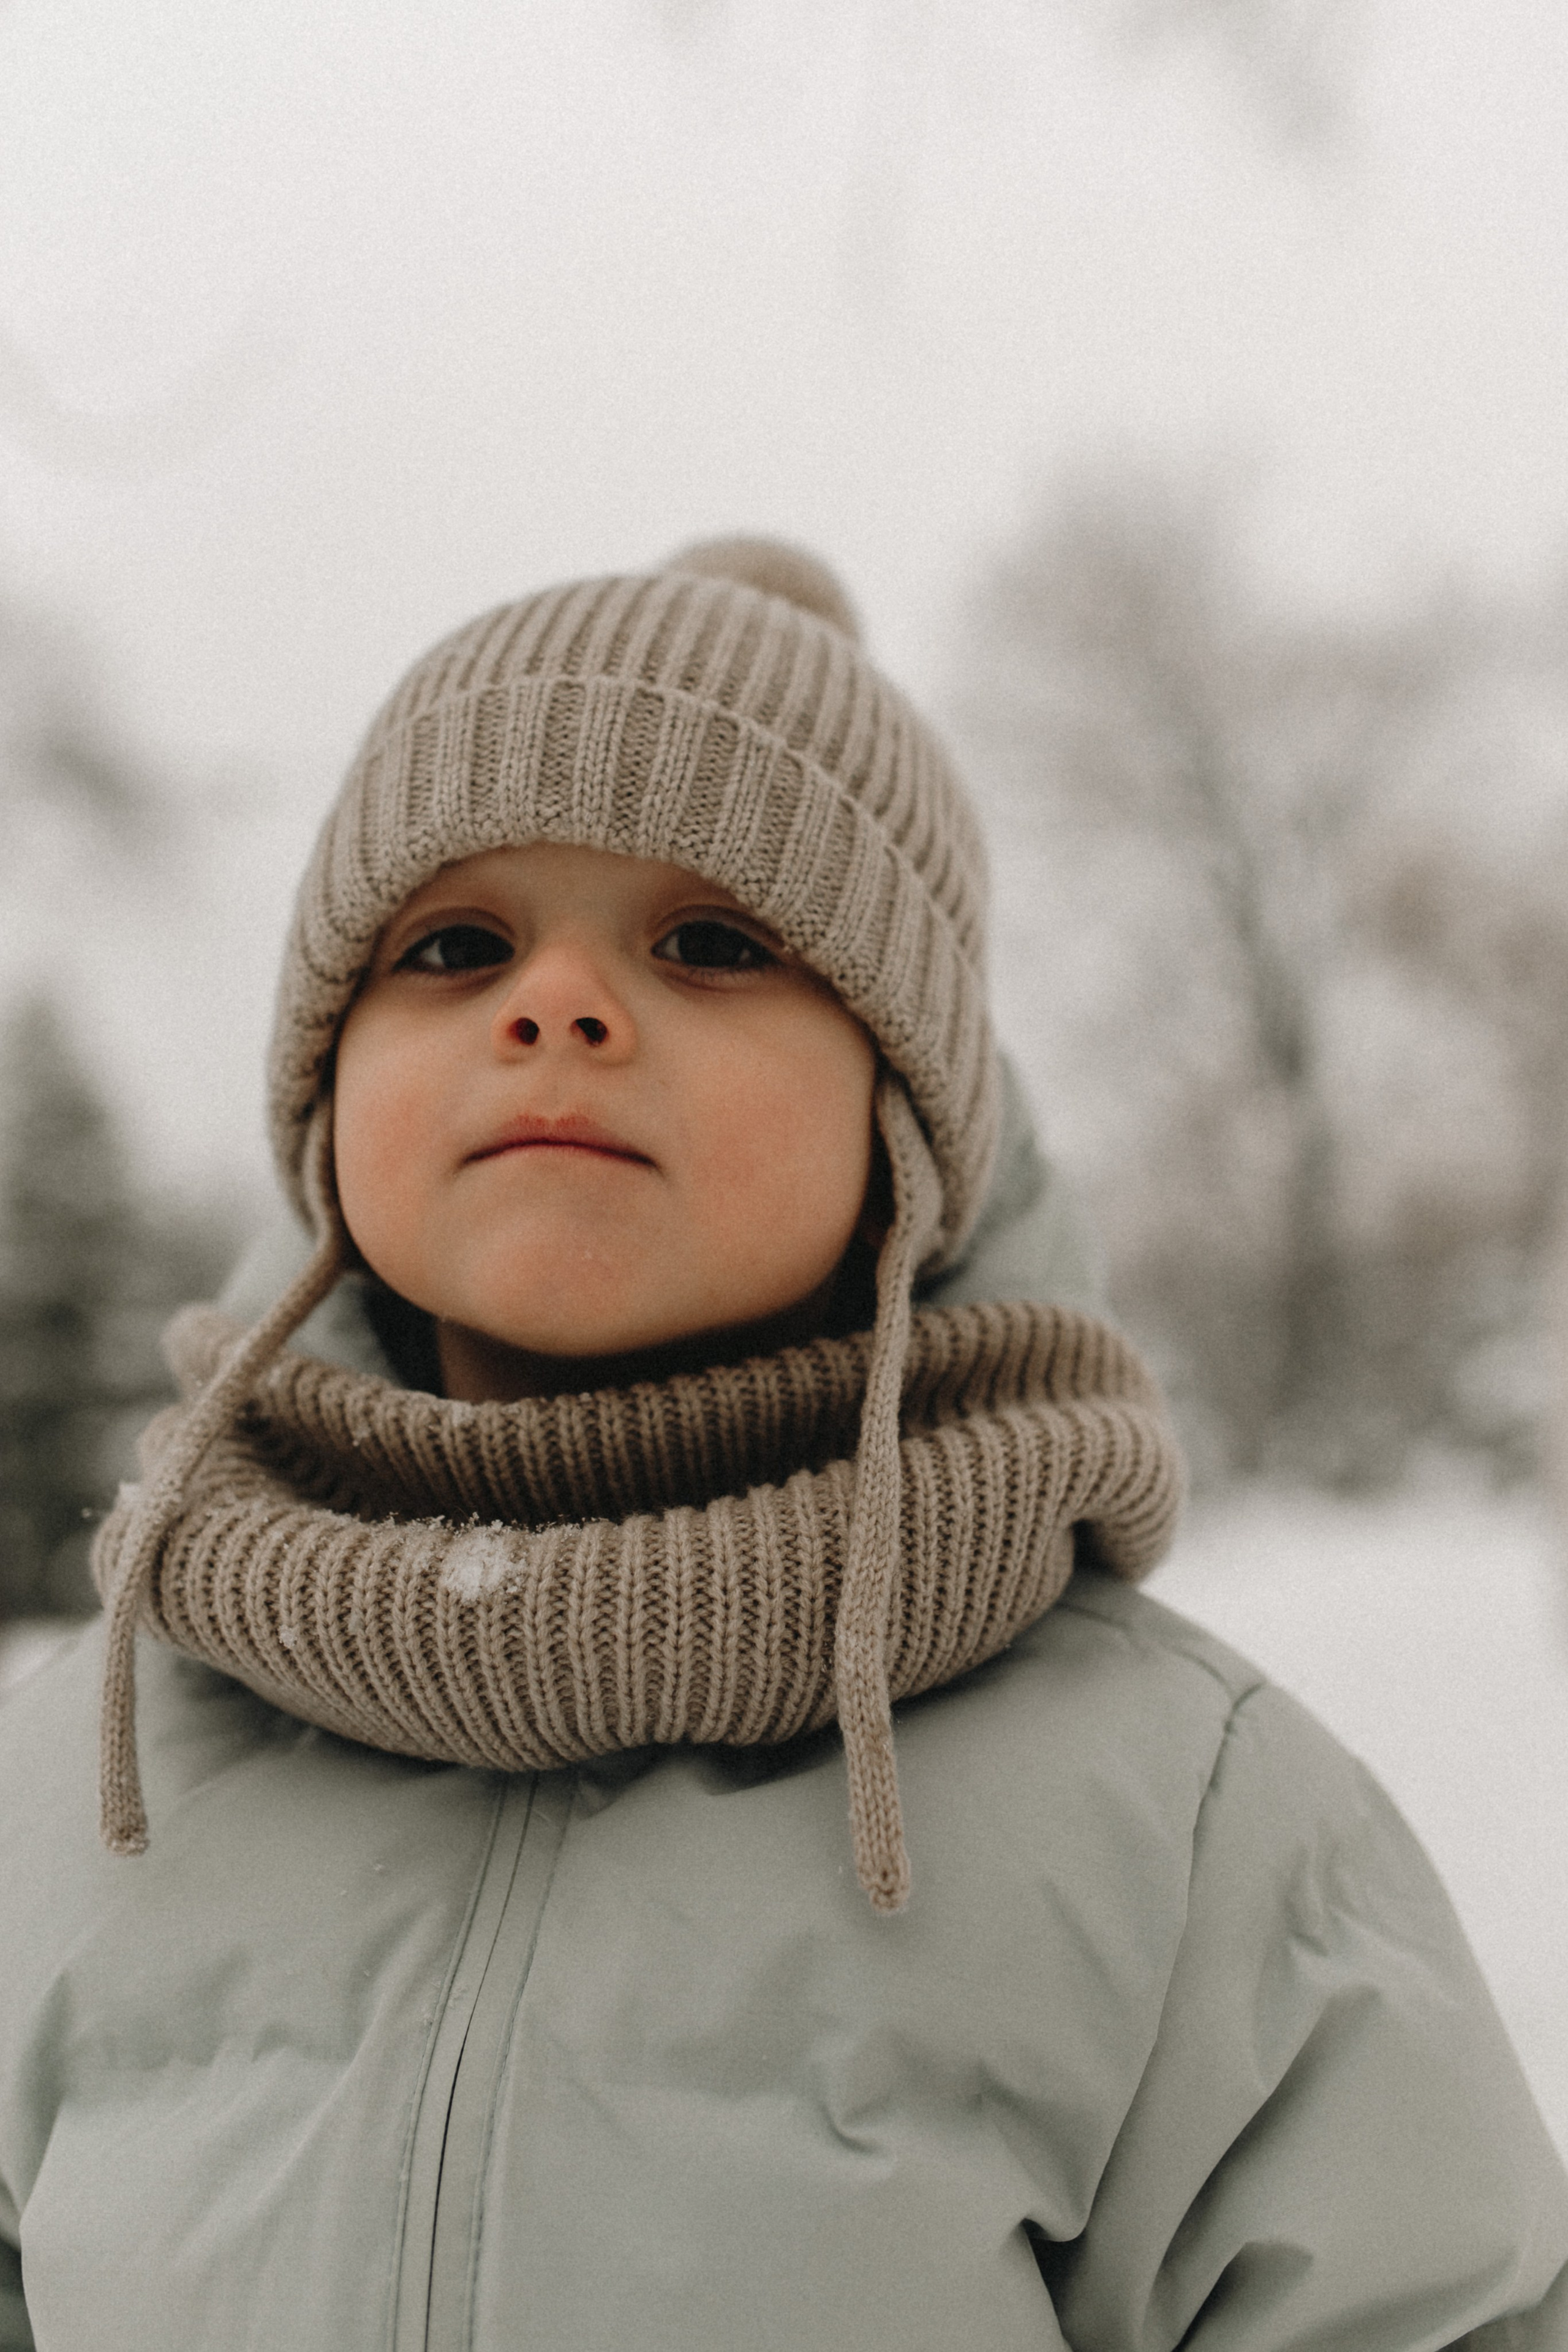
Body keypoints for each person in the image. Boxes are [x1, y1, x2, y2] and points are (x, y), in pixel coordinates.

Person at [1, 537, 1564, 2352]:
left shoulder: (1187, 1823)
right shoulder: (68, 1779)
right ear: (322, 1094)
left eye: (714, 942)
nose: (556, 1006)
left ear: (907, 1114)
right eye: (454, 946)